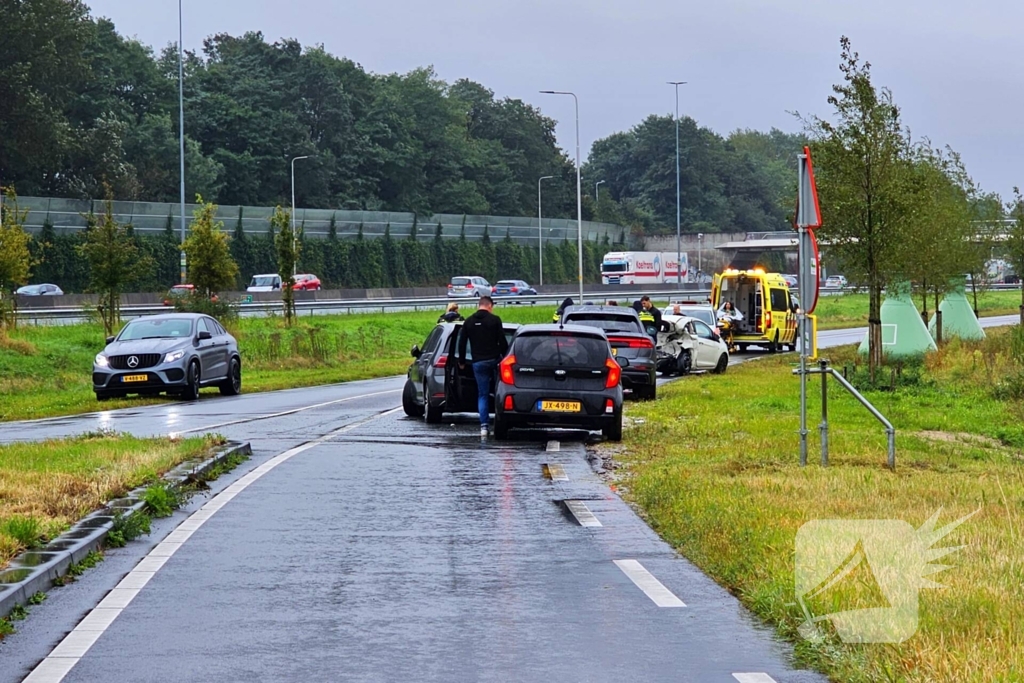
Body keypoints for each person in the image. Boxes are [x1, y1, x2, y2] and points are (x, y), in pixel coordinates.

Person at [458, 296, 509, 437]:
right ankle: (501, 421)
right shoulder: (495, 320)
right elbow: (503, 342)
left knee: (482, 394)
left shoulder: (468, 322)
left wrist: (462, 361)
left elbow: (461, 344)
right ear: (490, 306)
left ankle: (484, 427)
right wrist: (505, 358)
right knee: (500, 391)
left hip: (478, 363)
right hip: (495, 361)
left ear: (479, 305)